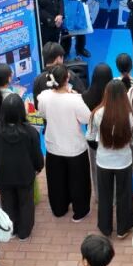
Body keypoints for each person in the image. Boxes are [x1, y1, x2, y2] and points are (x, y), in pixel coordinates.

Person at [37, 64, 92, 221]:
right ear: (67, 79)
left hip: (53, 146)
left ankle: (59, 209)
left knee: (56, 182)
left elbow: (42, 113)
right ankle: (80, 212)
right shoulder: (75, 99)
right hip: (74, 148)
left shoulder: (44, 96)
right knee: (79, 182)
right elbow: (87, 118)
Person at [87, 80, 133, 238]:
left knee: (104, 196)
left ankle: (105, 228)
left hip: (103, 161)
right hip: (124, 162)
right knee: (124, 195)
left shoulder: (97, 113)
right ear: (124, 95)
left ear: (106, 94)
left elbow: (90, 136)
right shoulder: (130, 116)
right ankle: (123, 229)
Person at [0, 94, 43, 239]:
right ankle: (24, 232)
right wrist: (38, 167)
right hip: (25, 176)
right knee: (26, 203)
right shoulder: (30, 132)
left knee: (7, 203)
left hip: (3, 176)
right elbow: (37, 155)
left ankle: (11, 230)